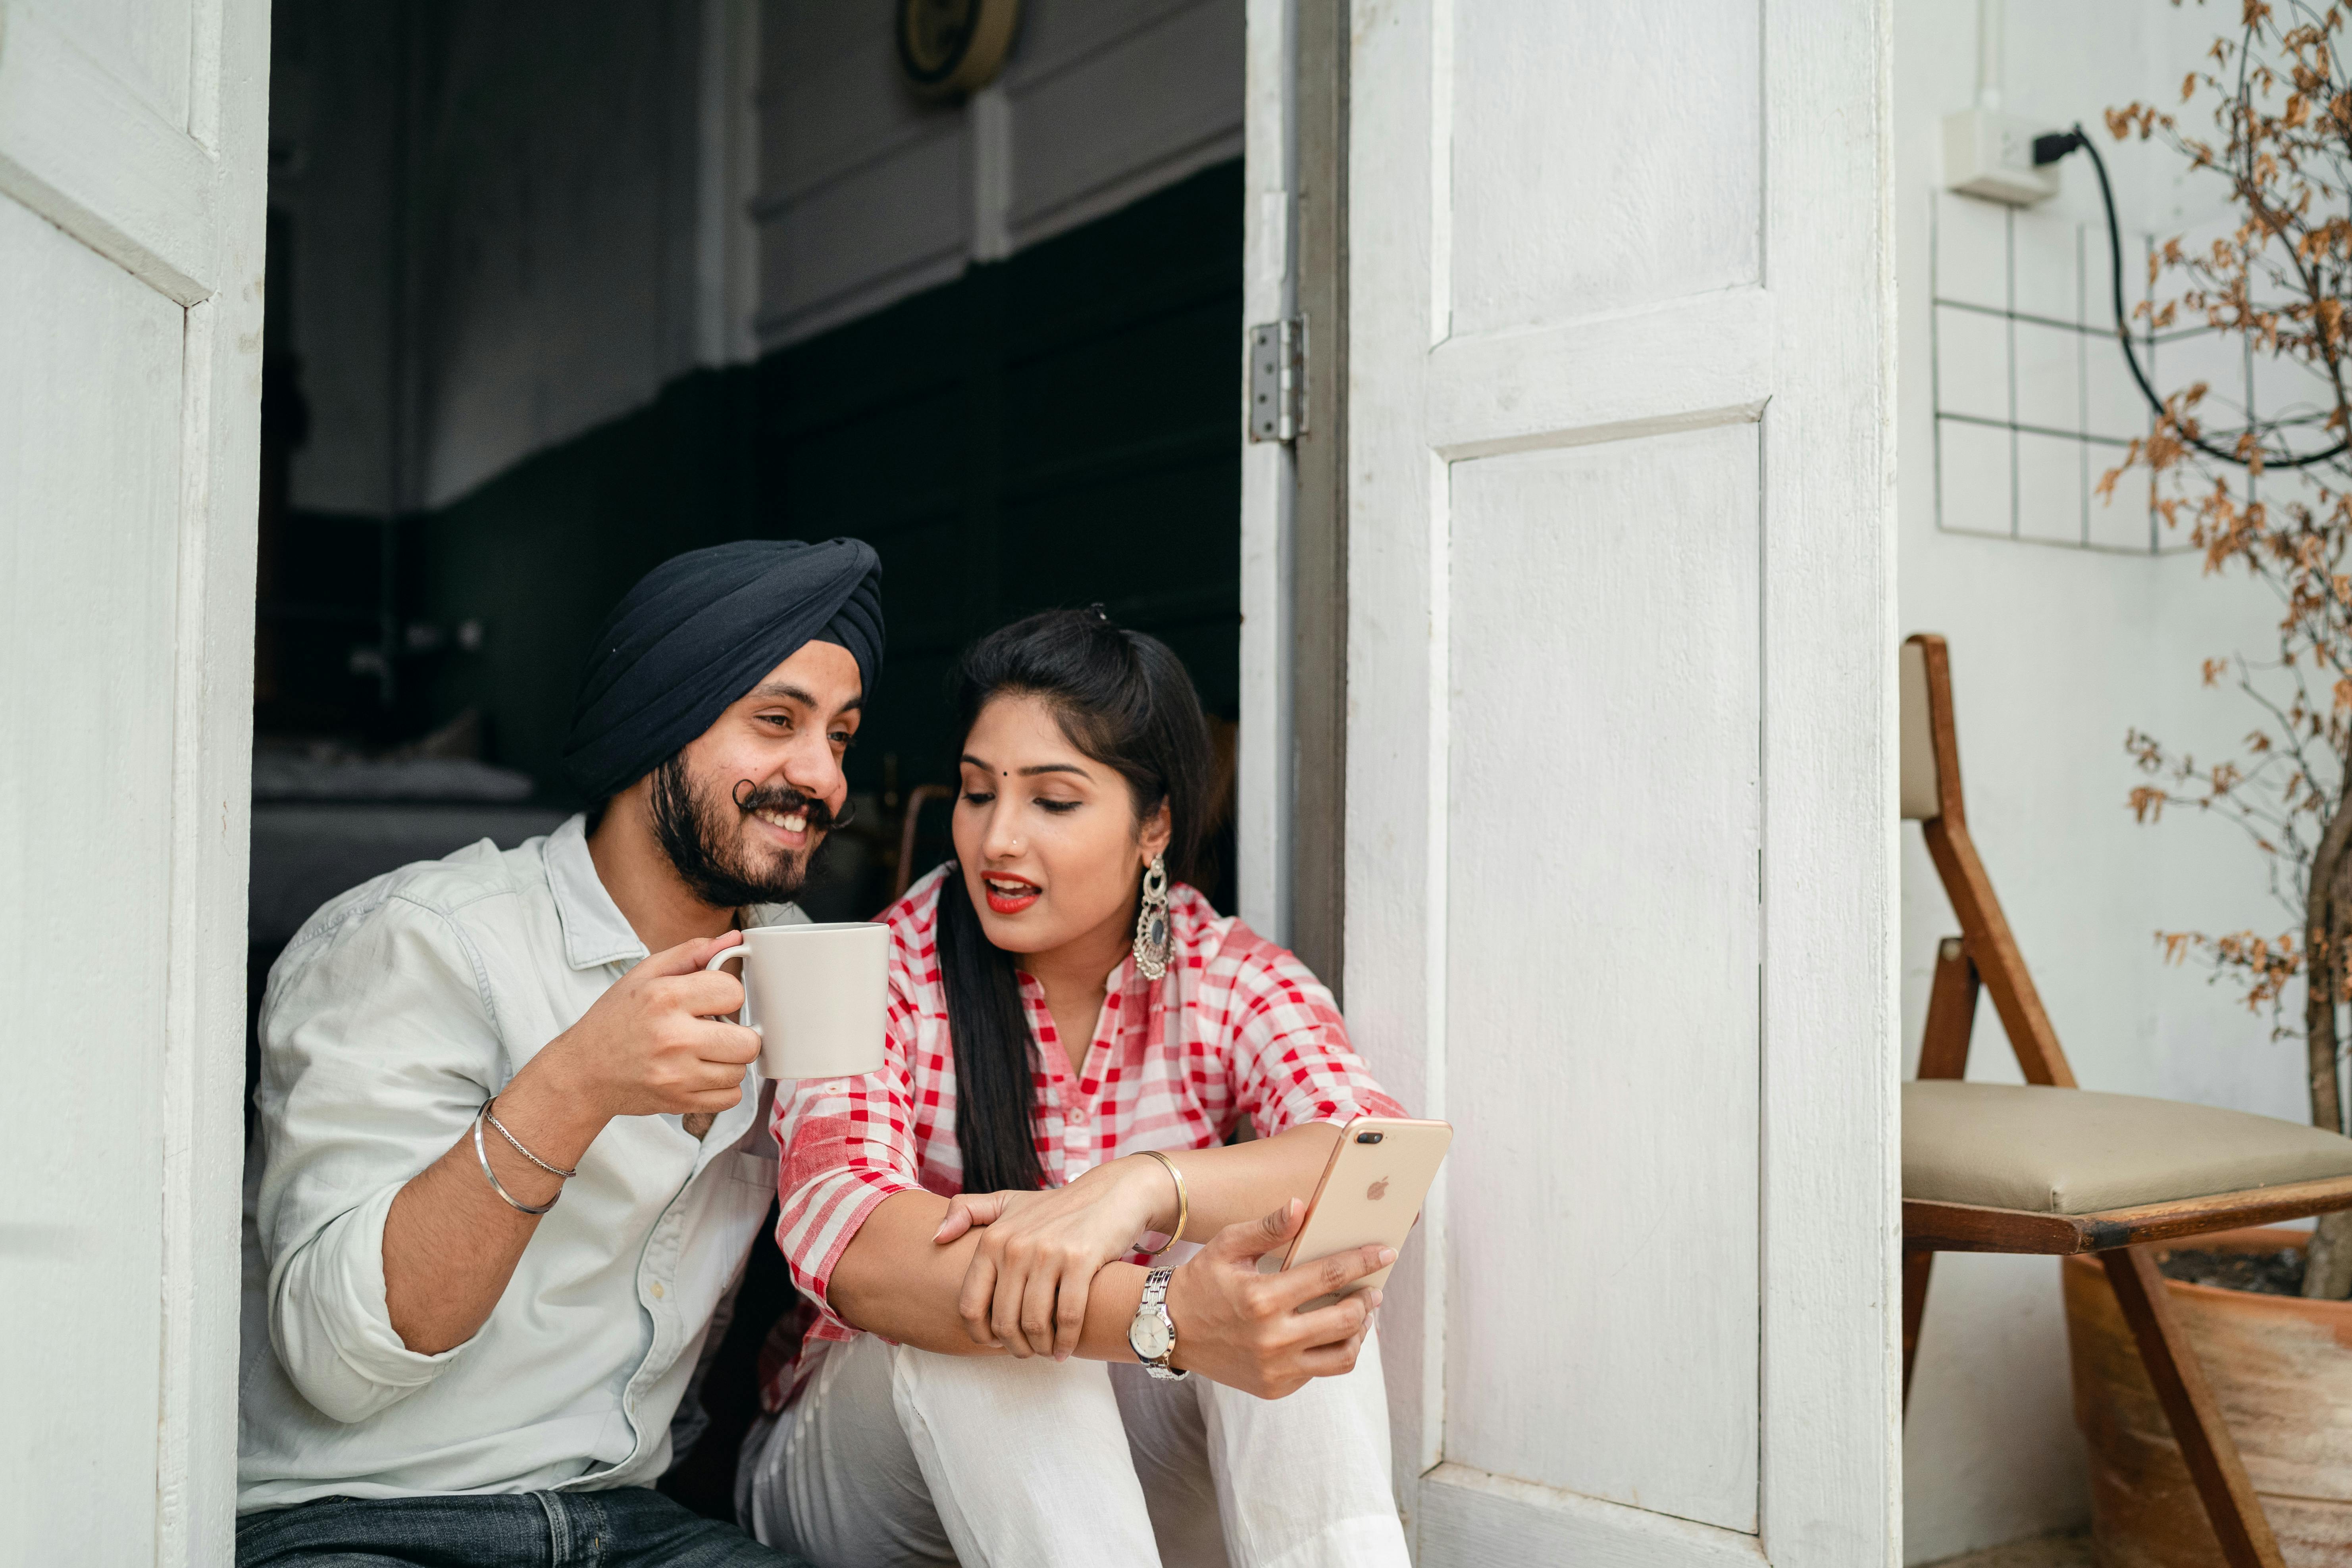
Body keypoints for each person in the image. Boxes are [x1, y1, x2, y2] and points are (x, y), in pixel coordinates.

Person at [236, 538, 884, 1568]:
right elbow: (335, 1366)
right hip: (360, 1517)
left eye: (840, 737)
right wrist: (576, 1084)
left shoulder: (801, 960)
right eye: (776, 721)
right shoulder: (417, 941)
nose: (822, 778)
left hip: (627, 1522)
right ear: (658, 720)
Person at [741, 608, 1415, 1568]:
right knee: (988, 1318)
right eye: (977, 793)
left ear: (1155, 825)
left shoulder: (1217, 970)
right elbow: (847, 1239)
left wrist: (1141, 1186)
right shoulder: (878, 968)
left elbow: (1379, 1162)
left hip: (1111, 1486)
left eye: (1052, 801)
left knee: (1291, 1278)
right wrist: (1158, 1309)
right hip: (861, 1473)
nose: (996, 838)